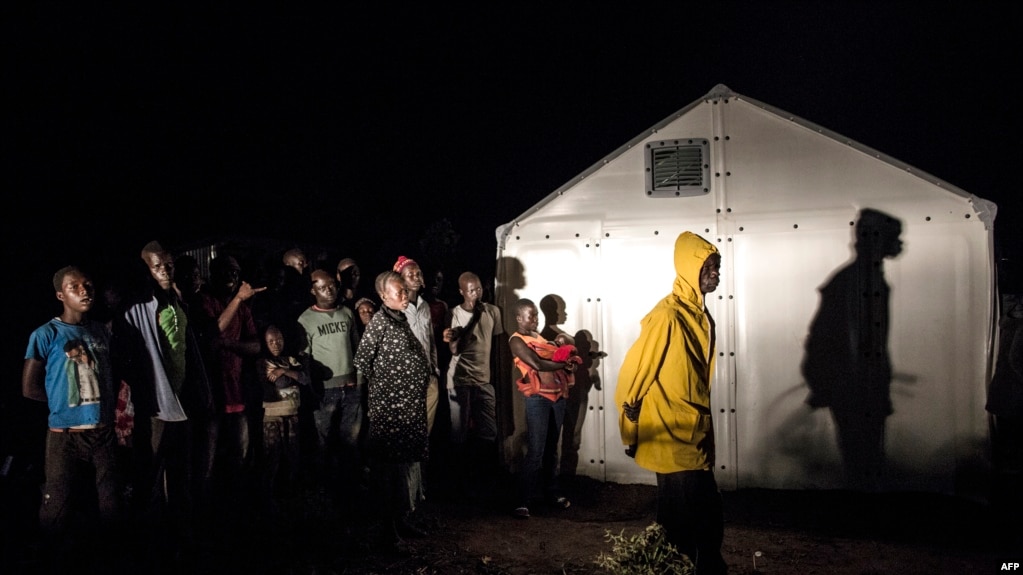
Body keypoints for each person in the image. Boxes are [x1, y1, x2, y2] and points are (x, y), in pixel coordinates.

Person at [614, 231, 726, 575]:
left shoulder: (699, 315)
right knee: (691, 523)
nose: (716, 275)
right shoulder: (668, 316)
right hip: (672, 436)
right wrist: (630, 431)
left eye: (718, 268)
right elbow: (634, 376)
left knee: (694, 520)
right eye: (709, 268)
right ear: (689, 269)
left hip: (692, 434)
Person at [22, 266, 121, 566]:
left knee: (111, 505)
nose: (84, 290)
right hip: (63, 436)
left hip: (102, 432)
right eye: (74, 286)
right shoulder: (45, 333)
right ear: (60, 295)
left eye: (87, 284)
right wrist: (63, 408)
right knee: (56, 509)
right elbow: (29, 388)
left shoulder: (101, 331)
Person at [118, 241, 212, 551]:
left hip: (180, 399)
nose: (165, 270)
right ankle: (148, 538)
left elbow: (186, 349)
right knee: (150, 472)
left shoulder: (175, 302)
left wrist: (200, 390)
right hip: (155, 405)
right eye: (157, 266)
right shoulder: (137, 307)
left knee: (180, 471)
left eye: (168, 264)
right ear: (145, 269)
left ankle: (180, 534)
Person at [353, 271, 432, 549]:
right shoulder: (380, 321)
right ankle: (388, 532)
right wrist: (376, 401)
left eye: (404, 290)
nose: (404, 295)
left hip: (409, 410)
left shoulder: (399, 318)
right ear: (383, 296)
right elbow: (362, 360)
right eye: (397, 292)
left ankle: (402, 521)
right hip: (391, 413)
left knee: (405, 470)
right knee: (389, 474)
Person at [195, 255, 265, 517]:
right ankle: (203, 515)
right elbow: (213, 331)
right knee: (208, 460)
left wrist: (227, 344)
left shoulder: (244, 309)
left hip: (237, 392)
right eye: (226, 272)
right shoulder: (205, 302)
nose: (232, 278)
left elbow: (256, 346)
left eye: (236, 273)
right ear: (212, 274)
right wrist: (238, 300)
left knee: (240, 455)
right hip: (212, 392)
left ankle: (236, 510)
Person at [297, 269, 363, 509]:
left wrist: (360, 379)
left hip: (351, 386)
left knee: (351, 441)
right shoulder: (306, 319)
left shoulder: (347, 313)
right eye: (323, 287)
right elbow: (305, 358)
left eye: (333, 285)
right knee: (323, 441)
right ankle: (323, 492)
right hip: (325, 390)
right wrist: (311, 387)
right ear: (313, 291)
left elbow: (357, 349)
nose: (330, 290)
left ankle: (350, 491)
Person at [508, 298, 577, 518]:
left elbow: (561, 351)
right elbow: (537, 364)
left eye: (536, 315)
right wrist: (563, 363)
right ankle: (522, 501)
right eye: (531, 316)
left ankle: (552, 494)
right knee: (536, 452)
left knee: (551, 450)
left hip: (557, 396)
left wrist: (564, 353)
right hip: (538, 398)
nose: (536, 319)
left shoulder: (539, 336)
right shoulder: (516, 340)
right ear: (519, 318)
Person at [442, 272, 504, 494]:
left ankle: (482, 480)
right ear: (461, 292)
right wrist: (475, 318)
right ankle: (459, 484)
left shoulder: (493, 311)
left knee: (489, 432)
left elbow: (496, 345)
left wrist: (497, 377)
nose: (476, 294)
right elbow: (455, 348)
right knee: (459, 434)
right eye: (471, 290)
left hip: (483, 380)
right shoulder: (454, 314)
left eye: (479, 289)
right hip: (459, 381)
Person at [257, 325, 309, 510]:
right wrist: (288, 373)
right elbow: (281, 382)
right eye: (271, 341)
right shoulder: (263, 362)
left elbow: (304, 378)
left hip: (292, 413)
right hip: (272, 416)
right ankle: (268, 497)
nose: (276, 344)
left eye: (278, 340)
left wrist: (284, 371)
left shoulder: (290, 359)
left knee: (293, 454)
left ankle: (291, 495)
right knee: (272, 456)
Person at [394, 256, 440, 435]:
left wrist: (435, 368)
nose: (415, 277)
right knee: (408, 428)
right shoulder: (397, 309)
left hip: (428, 377)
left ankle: (420, 461)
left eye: (418, 273)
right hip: (407, 379)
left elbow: (430, 340)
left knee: (425, 430)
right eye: (409, 274)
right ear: (401, 279)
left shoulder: (425, 306)